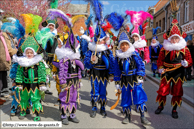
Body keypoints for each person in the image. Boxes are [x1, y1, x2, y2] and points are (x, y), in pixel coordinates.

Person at [155, 18, 193, 119]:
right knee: (162, 90)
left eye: (176, 38)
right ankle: (160, 106)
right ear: (169, 38)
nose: (174, 40)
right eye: (173, 38)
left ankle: (174, 109)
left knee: (177, 92)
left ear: (180, 38)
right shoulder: (164, 49)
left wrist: (186, 63)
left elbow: (189, 61)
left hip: (179, 73)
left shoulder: (185, 49)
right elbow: (160, 61)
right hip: (166, 72)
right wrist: (160, 68)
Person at [114, 29, 151, 125]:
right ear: (120, 46)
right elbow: (117, 70)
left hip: (134, 78)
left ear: (129, 45)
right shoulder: (118, 57)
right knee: (125, 98)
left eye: (126, 44)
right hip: (124, 79)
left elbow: (140, 65)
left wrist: (140, 75)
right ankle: (127, 116)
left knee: (139, 96)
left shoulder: (134, 54)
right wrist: (117, 81)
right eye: (122, 45)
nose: (124, 46)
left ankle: (143, 116)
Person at [53, 28, 84, 125]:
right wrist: (62, 84)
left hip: (75, 82)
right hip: (67, 82)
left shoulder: (76, 60)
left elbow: (81, 70)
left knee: (74, 98)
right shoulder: (64, 60)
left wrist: (79, 80)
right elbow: (61, 73)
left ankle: (72, 115)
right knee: (65, 99)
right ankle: (63, 116)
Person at [13, 34, 47, 121]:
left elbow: (42, 73)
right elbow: (19, 74)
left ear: (34, 53)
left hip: (35, 84)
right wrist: (18, 83)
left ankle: (36, 113)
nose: (29, 54)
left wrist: (42, 83)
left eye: (31, 52)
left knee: (35, 99)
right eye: (27, 52)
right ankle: (23, 111)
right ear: (25, 53)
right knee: (23, 98)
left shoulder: (38, 63)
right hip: (24, 84)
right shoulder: (22, 63)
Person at [84, 24, 115, 118]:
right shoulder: (91, 51)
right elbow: (86, 64)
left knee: (102, 91)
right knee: (94, 91)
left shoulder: (107, 51)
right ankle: (94, 108)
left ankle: (102, 108)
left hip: (104, 74)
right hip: (94, 73)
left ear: (104, 40)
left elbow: (112, 63)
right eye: (98, 40)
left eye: (101, 40)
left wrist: (112, 75)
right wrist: (90, 61)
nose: (100, 42)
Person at [0, 25, 17, 105]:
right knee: (1, 80)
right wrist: (16, 51)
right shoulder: (3, 36)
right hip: (2, 60)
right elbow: (8, 49)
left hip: (5, 59)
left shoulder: (5, 36)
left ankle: (1, 97)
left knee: (3, 78)